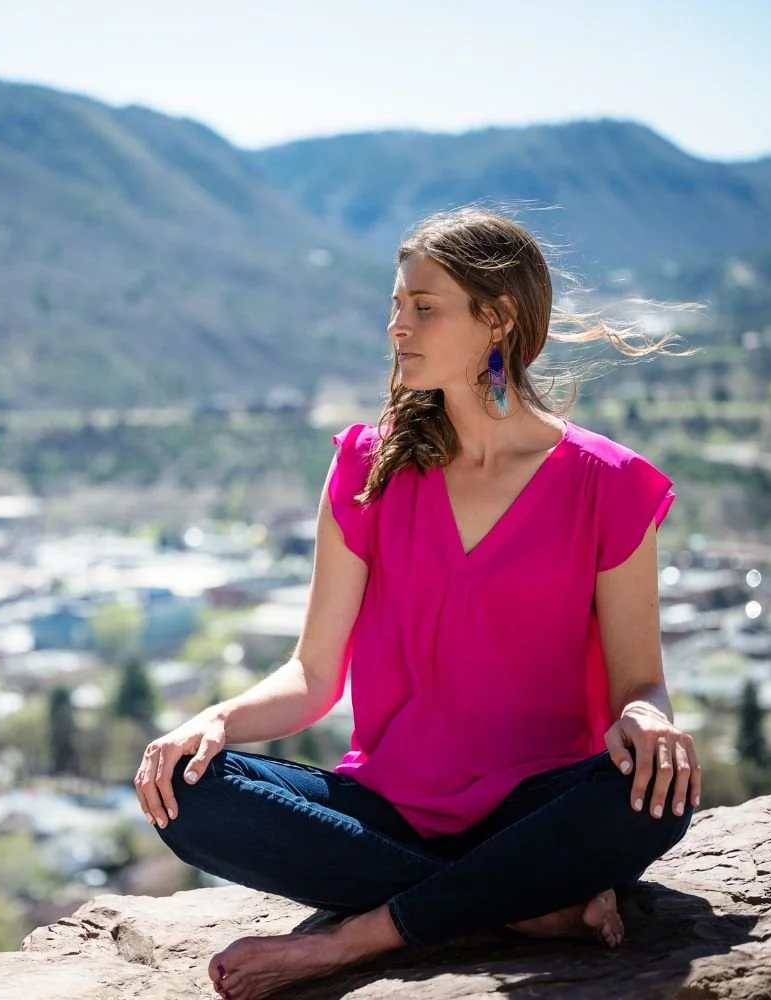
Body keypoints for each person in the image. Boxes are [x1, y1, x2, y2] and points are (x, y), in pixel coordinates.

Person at [134, 207, 701, 1000]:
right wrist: (216, 720)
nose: (398, 327)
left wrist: (649, 718)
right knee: (186, 790)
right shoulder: (366, 467)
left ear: (497, 318)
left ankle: (361, 936)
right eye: (397, 305)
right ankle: (514, 901)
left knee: (651, 799)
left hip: (536, 809)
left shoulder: (608, 485)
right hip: (385, 809)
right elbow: (314, 673)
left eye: (424, 307)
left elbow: (641, 681)